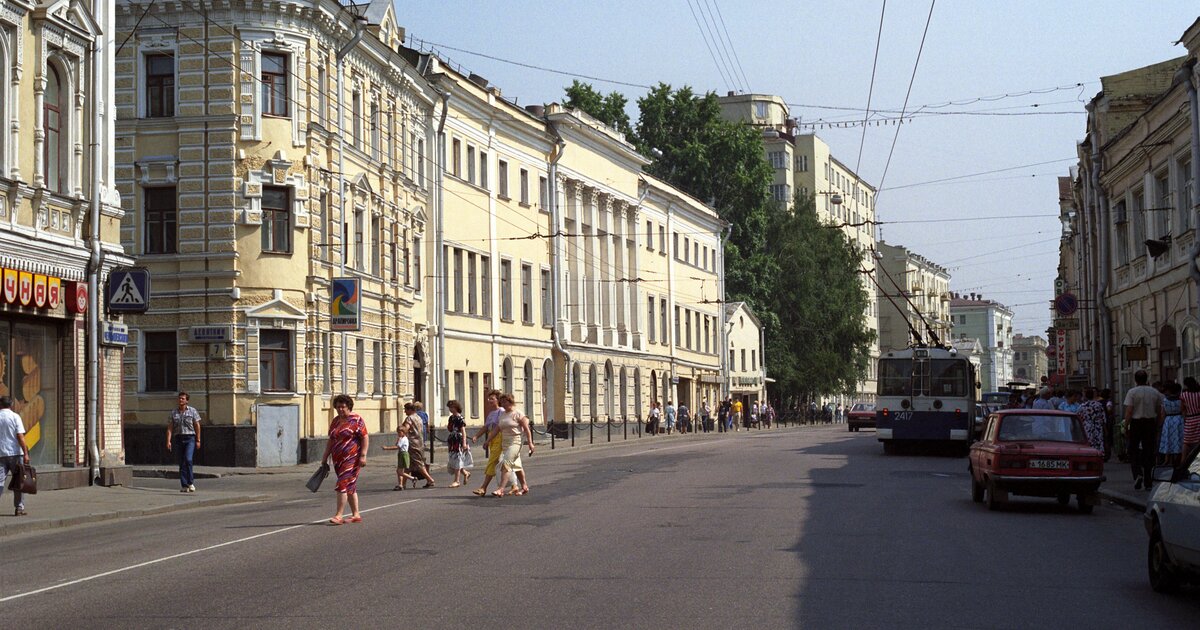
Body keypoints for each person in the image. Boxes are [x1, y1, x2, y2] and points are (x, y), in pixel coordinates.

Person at [320, 394, 368, 525]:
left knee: (342, 483)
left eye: (343, 407)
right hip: (338, 459)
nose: (340, 409)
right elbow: (331, 439)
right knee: (350, 485)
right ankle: (356, 514)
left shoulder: (356, 420)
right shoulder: (335, 421)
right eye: (338, 407)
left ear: (349, 407)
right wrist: (325, 456)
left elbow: (364, 437)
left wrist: (363, 455)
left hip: (352, 458)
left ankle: (339, 515)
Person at [487, 393, 534, 497]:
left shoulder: (518, 414)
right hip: (506, 443)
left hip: (516, 442)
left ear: (511, 402)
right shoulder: (503, 415)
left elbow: (527, 429)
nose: (503, 404)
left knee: (506, 463)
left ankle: (501, 489)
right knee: (517, 466)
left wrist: (530, 443)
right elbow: (497, 429)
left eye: (505, 401)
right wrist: (488, 440)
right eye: (502, 402)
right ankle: (524, 486)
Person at [1124, 370, 1164, 490]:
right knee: (1149, 452)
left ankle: (1137, 474)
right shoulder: (1155, 392)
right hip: (1150, 423)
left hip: (1136, 423)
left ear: (1135, 380)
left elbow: (1129, 411)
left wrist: (1126, 426)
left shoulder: (1132, 392)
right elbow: (1159, 411)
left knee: (1133, 450)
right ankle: (1148, 481)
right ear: (1147, 379)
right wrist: (1157, 425)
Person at [471, 390, 516, 496]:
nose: (489, 400)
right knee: (503, 463)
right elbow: (486, 427)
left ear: (497, 400)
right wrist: (476, 436)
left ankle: (483, 488)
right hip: (493, 438)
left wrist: (488, 440)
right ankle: (514, 485)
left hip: (500, 438)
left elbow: (499, 427)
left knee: (492, 462)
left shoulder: (501, 411)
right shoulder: (491, 414)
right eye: (489, 398)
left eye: (492, 398)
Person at [0, 396, 30, 516]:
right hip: (16, 454)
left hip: (0, 454)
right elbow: (20, 436)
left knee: (0, 481)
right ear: (11, 405)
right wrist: (26, 453)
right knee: (19, 481)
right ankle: (19, 508)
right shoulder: (15, 417)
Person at [166, 391, 201, 493]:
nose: (180, 400)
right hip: (178, 439)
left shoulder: (192, 411)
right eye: (179, 398)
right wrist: (168, 441)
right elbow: (170, 428)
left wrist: (198, 440)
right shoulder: (174, 412)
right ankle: (184, 485)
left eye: (182, 398)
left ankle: (190, 482)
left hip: (190, 438)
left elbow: (197, 425)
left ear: (187, 401)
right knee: (181, 462)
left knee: (188, 459)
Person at [402, 403, 436, 488]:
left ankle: (430, 479)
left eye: (405, 409)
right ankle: (403, 484)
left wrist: (401, 432)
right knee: (408, 464)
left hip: (412, 443)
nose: (404, 411)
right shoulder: (418, 417)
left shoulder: (410, 418)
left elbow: (405, 428)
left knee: (418, 464)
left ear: (410, 410)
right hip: (419, 442)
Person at [445, 400, 472, 488]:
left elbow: (463, 432)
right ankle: (465, 473)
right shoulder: (451, 418)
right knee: (453, 460)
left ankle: (457, 481)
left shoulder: (460, 418)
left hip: (458, 441)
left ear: (456, 408)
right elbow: (450, 428)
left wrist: (464, 443)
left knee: (457, 459)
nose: (450, 409)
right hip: (452, 440)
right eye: (449, 407)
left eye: (452, 407)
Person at [381, 423, 415, 491]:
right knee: (399, 471)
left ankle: (412, 478)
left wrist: (386, 448)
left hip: (403, 455)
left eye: (400, 432)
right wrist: (398, 440)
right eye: (398, 432)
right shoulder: (402, 439)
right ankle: (400, 485)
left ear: (404, 432)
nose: (398, 434)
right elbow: (397, 444)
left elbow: (397, 447)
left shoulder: (404, 439)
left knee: (400, 472)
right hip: (401, 454)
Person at [1159, 381, 1185, 468]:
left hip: (1168, 420)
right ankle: (1178, 457)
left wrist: (1162, 423)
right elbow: (1183, 411)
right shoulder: (1180, 399)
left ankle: (1167, 459)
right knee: (1178, 438)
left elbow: (1163, 413)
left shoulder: (1165, 400)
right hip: (1179, 420)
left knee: (1168, 439)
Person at [1078, 387, 1107, 454]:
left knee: (1089, 441)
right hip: (1098, 427)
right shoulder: (1099, 405)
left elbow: (1079, 417)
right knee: (1098, 442)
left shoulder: (1082, 406)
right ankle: (1099, 455)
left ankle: (1089, 454)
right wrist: (1105, 430)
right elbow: (1103, 418)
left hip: (1087, 427)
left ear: (1085, 396)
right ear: (1093, 395)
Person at [1181, 377, 1200, 458]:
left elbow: (1182, 409)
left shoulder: (1183, 395)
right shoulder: (1199, 394)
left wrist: (1184, 419)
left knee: (1186, 442)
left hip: (1189, 420)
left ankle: (1183, 462)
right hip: (1198, 418)